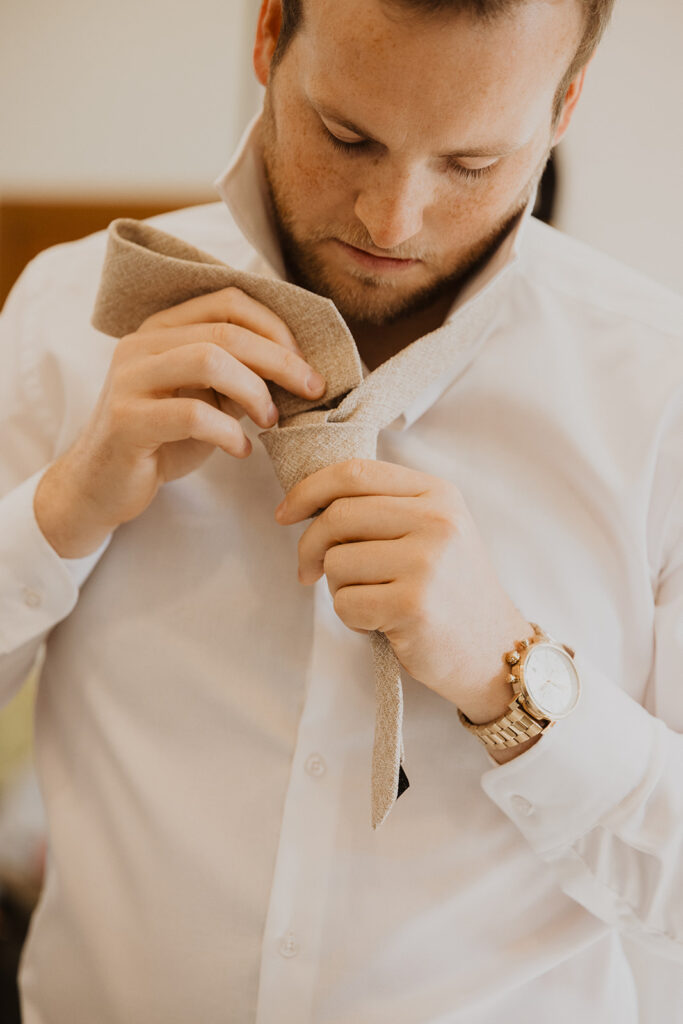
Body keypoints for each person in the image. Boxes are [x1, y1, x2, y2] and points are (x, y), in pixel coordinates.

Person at [1, 0, 681, 1019]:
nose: (389, 220)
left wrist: (512, 675)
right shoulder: (69, 316)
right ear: (270, 35)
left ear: (563, 106)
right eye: (347, 136)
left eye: (470, 164)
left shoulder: (658, 393)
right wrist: (58, 512)